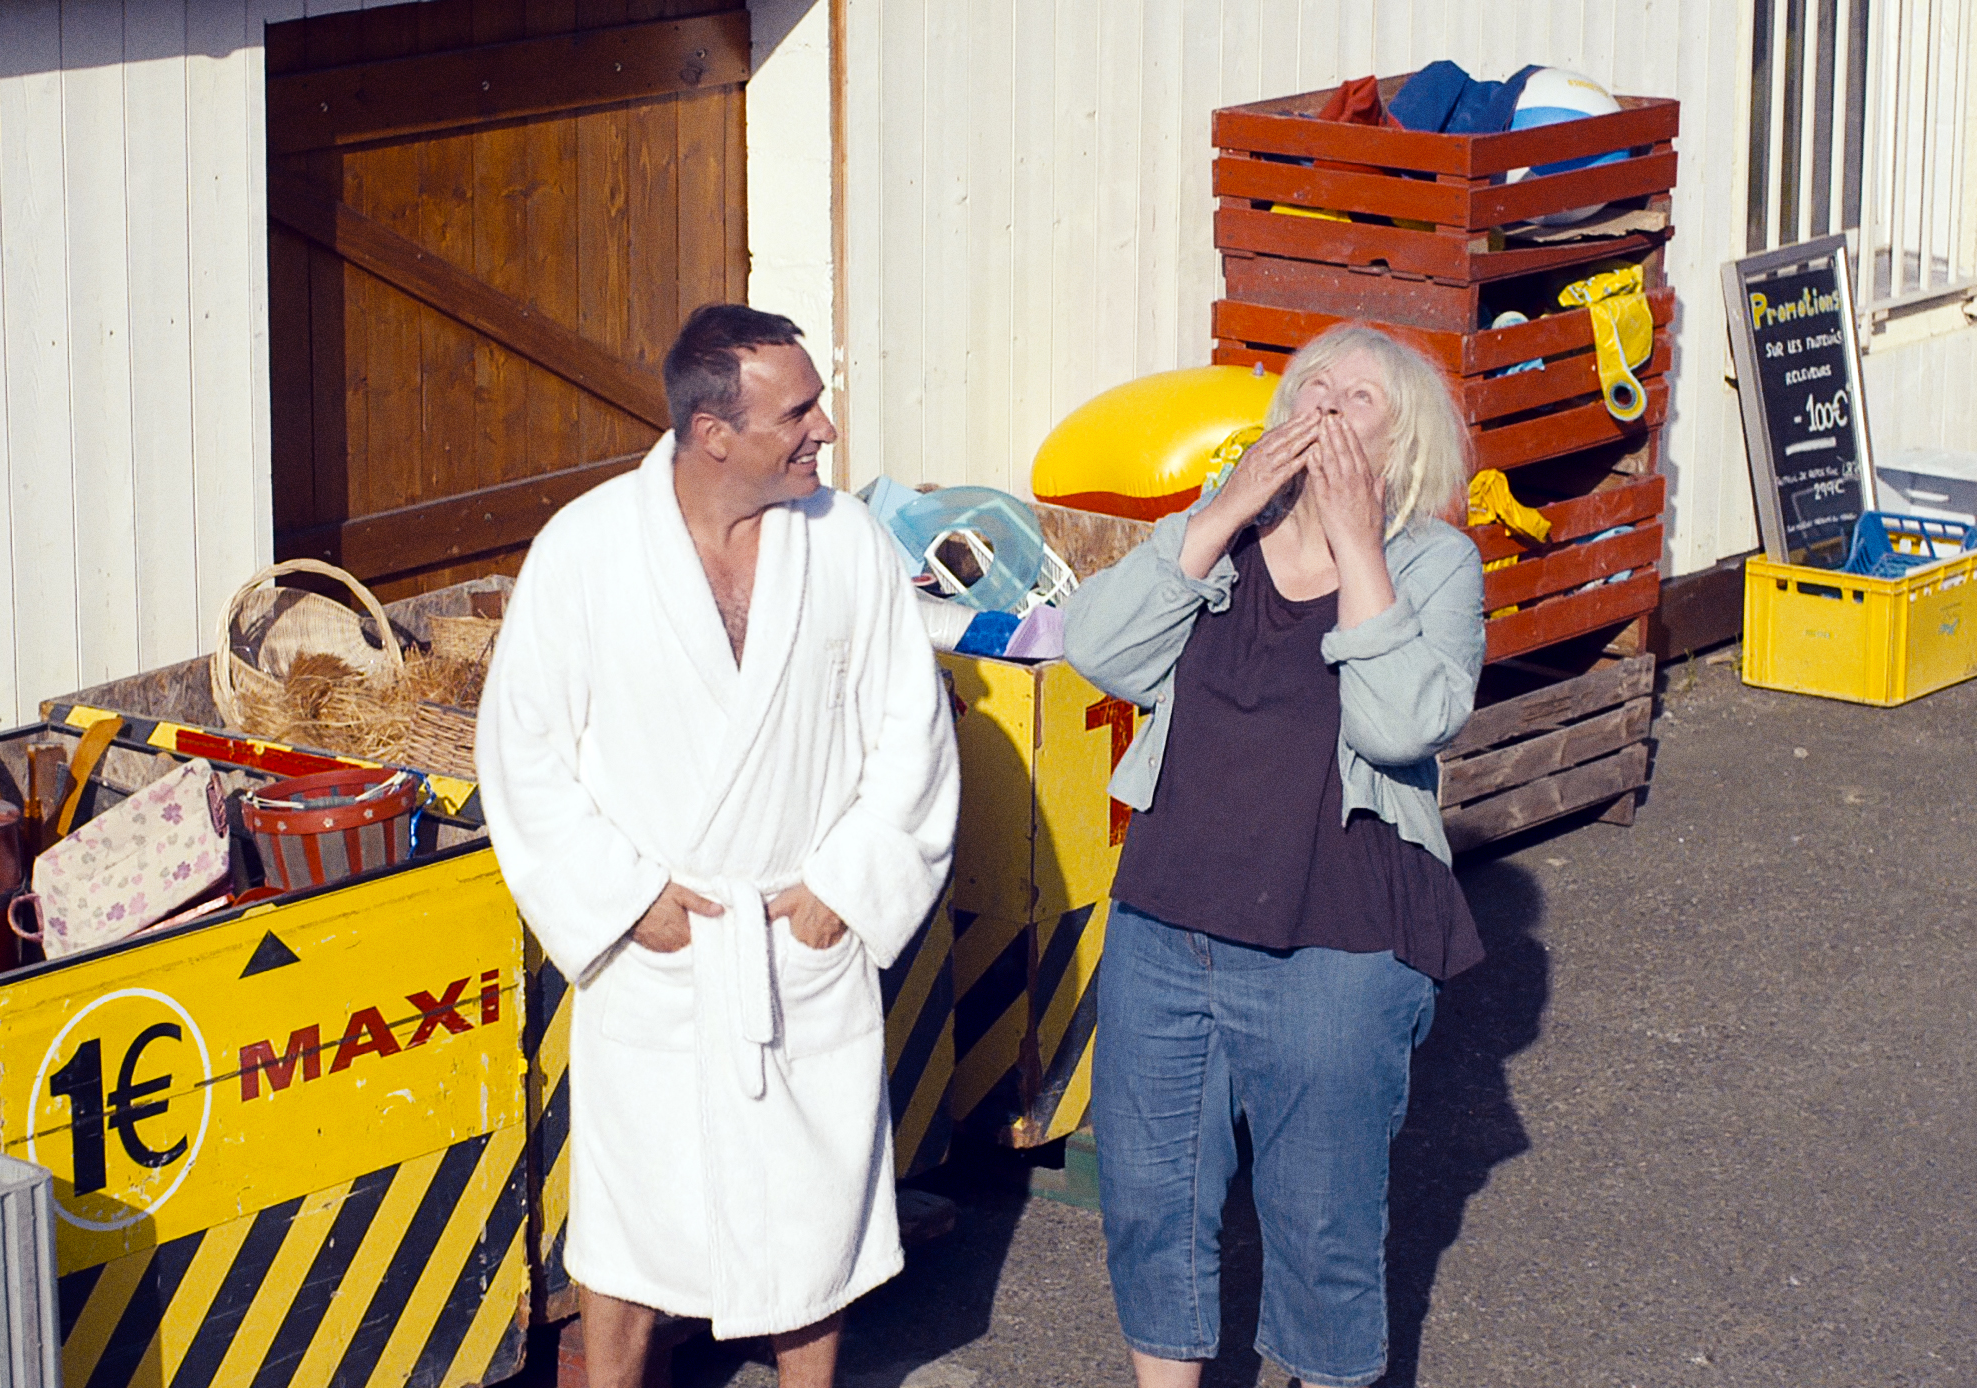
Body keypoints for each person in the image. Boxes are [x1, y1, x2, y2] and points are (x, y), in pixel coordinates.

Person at [476, 304, 960, 1388]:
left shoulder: (847, 545)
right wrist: (621, 897)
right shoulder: (589, 550)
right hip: (665, 943)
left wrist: (851, 881)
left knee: (814, 1208)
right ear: (714, 434)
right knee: (630, 1214)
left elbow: (910, 733)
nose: (825, 428)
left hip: (798, 933)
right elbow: (523, 754)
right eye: (797, 411)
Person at [1063, 323, 1488, 1388]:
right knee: (1149, 1200)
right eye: (1311, 390)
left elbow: (1402, 726)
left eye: (1358, 403)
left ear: (1405, 448)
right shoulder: (1223, 537)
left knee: (1320, 1222)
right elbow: (1096, 649)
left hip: (1335, 945)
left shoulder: (1436, 566)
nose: (1324, 412)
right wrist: (1218, 514)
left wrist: (1357, 548)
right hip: (1166, 921)